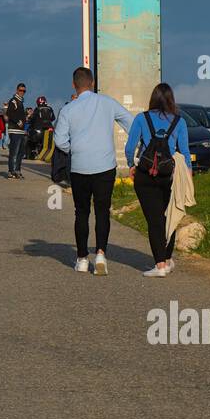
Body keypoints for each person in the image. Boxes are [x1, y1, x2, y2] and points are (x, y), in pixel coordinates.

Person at [55, 66, 134, 276]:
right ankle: (100, 254)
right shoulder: (107, 103)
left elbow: (59, 140)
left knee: (81, 212)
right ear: (92, 83)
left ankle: (81, 259)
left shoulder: (68, 109)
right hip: (105, 166)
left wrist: (75, 148)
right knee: (102, 211)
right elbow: (131, 123)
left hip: (80, 167)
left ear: (74, 85)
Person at [124, 82, 191, 278]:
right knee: (168, 216)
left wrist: (131, 165)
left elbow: (130, 147)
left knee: (154, 220)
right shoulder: (179, 121)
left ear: (152, 98)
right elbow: (185, 152)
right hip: (169, 175)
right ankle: (168, 260)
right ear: (171, 99)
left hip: (145, 176)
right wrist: (187, 176)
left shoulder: (142, 118)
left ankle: (159, 264)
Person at [4, 82, 29, 179]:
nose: (22, 92)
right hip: (14, 130)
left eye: (24, 91)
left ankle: (17, 170)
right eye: (21, 90)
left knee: (20, 153)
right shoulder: (14, 101)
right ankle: (11, 171)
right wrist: (18, 122)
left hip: (21, 131)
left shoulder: (21, 102)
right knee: (14, 152)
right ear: (17, 90)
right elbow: (9, 113)